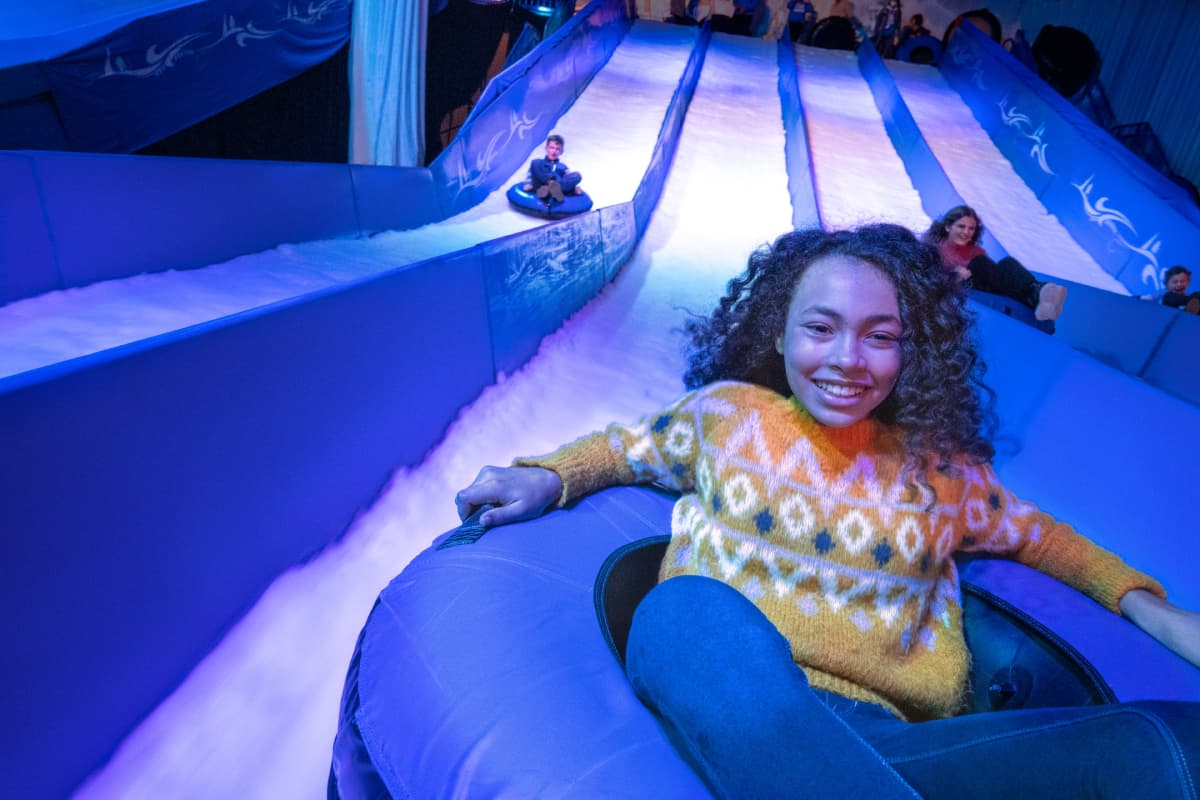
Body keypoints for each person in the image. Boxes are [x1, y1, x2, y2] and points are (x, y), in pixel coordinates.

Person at [455, 224, 1200, 798]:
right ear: (779, 335)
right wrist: (550, 475)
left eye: (881, 337)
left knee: (1159, 738)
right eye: (821, 328)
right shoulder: (730, 417)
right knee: (683, 612)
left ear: (912, 354)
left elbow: (1046, 541)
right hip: (729, 695)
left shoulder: (939, 471)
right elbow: (626, 448)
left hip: (890, 748)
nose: (848, 357)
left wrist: (1152, 611)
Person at [923, 205, 1068, 326]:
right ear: (948, 227)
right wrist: (954, 274)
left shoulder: (975, 250)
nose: (966, 232)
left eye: (971, 228)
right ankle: (1041, 293)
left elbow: (997, 277)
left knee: (1007, 263)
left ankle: (1040, 292)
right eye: (961, 227)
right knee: (980, 263)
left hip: (985, 286)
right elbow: (924, 279)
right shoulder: (933, 248)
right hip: (960, 287)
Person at [522, 134, 583, 204]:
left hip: (557, 186)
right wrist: (528, 184)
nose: (554, 151)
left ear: (561, 151)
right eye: (552, 148)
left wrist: (574, 189)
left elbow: (567, 181)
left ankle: (553, 190)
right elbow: (530, 175)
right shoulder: (539, 163)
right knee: (535, 162)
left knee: (577, 175)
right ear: (546, 148)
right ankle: (550, 189)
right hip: (542, 184)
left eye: (557, 149)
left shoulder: (563, 166)